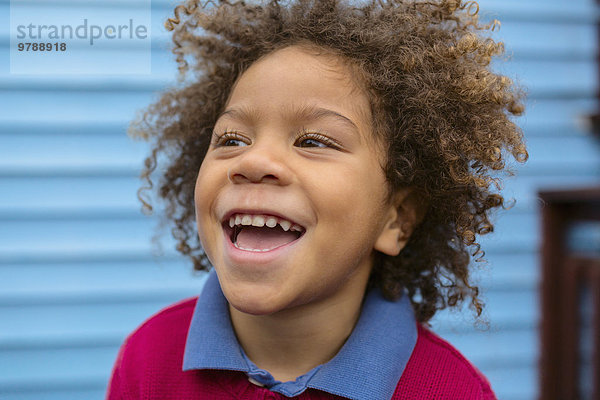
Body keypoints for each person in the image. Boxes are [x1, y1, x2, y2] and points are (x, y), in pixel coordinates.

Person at [106, 0, 528, 399]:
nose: (254, 160)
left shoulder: (449, 390)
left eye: (313, 141)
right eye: (232, 139)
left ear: (396, 219)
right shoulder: (148, 358)